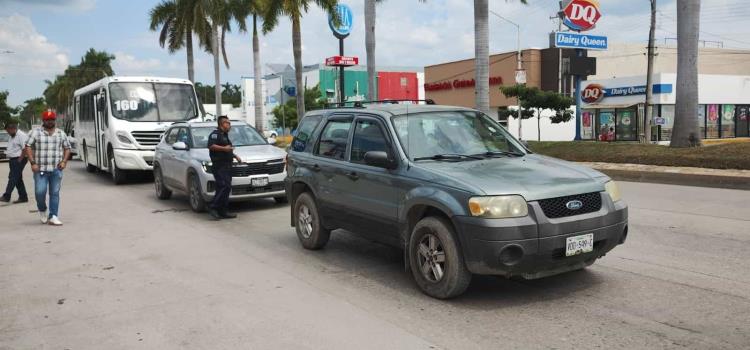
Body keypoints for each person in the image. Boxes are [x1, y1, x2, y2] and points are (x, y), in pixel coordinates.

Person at [24, 110, 71, 226]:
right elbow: (28, 146)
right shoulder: (35, 133)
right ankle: (42, 209)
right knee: (40, 192)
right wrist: (32, 162)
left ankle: (53, 216)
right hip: (40, 169)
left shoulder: (61, 133)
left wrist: (64, 161)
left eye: (52, 120)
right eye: (47, 120)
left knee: (54, 193)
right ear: (43, 121)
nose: (50, 122)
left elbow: (67, 148)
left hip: (56, 169)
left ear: (54, 120)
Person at [207, 116, 241, 220]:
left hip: (227, 165)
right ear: (222, 124)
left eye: (229, 123)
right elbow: (211, 146)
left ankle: (223, 211)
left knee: (225, 188)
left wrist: (235, 156)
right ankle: (213, 207)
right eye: (227, 123)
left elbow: (228, 149)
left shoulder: (225, 135)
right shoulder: (215, 134)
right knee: (223, 186)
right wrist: (224, 148)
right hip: (219, 166)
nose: (229, 125)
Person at [1, 121, 29, 203]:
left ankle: (6, 196)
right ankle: (23, 197)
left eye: (8, 131)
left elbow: (25, 148)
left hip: (19, 159)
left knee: (12, 177)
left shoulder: (21, 135)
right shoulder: (12, 136)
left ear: (13, 128)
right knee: (17, 178)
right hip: (13, 159)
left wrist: (19, 160)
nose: (8, 133)